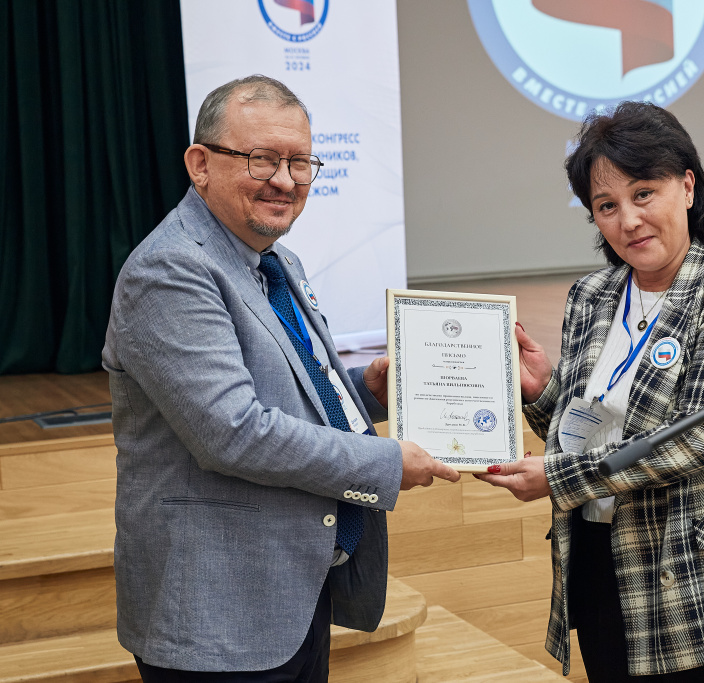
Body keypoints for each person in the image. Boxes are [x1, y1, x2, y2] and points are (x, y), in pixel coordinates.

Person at [101, 75, 459, 681]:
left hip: (289, 590)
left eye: (300, 162)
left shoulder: (273, 259)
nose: (286, 181)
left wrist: (365, 392)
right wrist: (385, 462)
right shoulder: (170, 270)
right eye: (263, 159)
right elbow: (233, 432)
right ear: (200, 164)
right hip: (216, 613)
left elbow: (278, 387)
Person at [477, 101, 704, 681]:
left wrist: (557, 478)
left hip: (692, 578)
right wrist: (543, 394)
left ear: (687, 187)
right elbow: (588, 431)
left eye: (644, 193)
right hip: (597, 562)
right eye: (607, 205)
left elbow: (697, 439)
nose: (628, 220)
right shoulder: (591, 295)